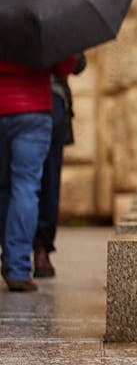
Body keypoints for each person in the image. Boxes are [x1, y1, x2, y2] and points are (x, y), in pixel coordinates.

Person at [1, 54, 79, 292]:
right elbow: (65, 67)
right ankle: (17, 267)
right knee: (26, 187)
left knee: (3, 187)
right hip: (34, 110)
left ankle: (9, 253)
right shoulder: (41, 19)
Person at [34, 54, 87, 278]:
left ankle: (14, 256)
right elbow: (76, 64)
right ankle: (41, 250)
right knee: (48, 180)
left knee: (16, 184)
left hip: (9, 101)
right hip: (48, 101)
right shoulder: (57, 20)